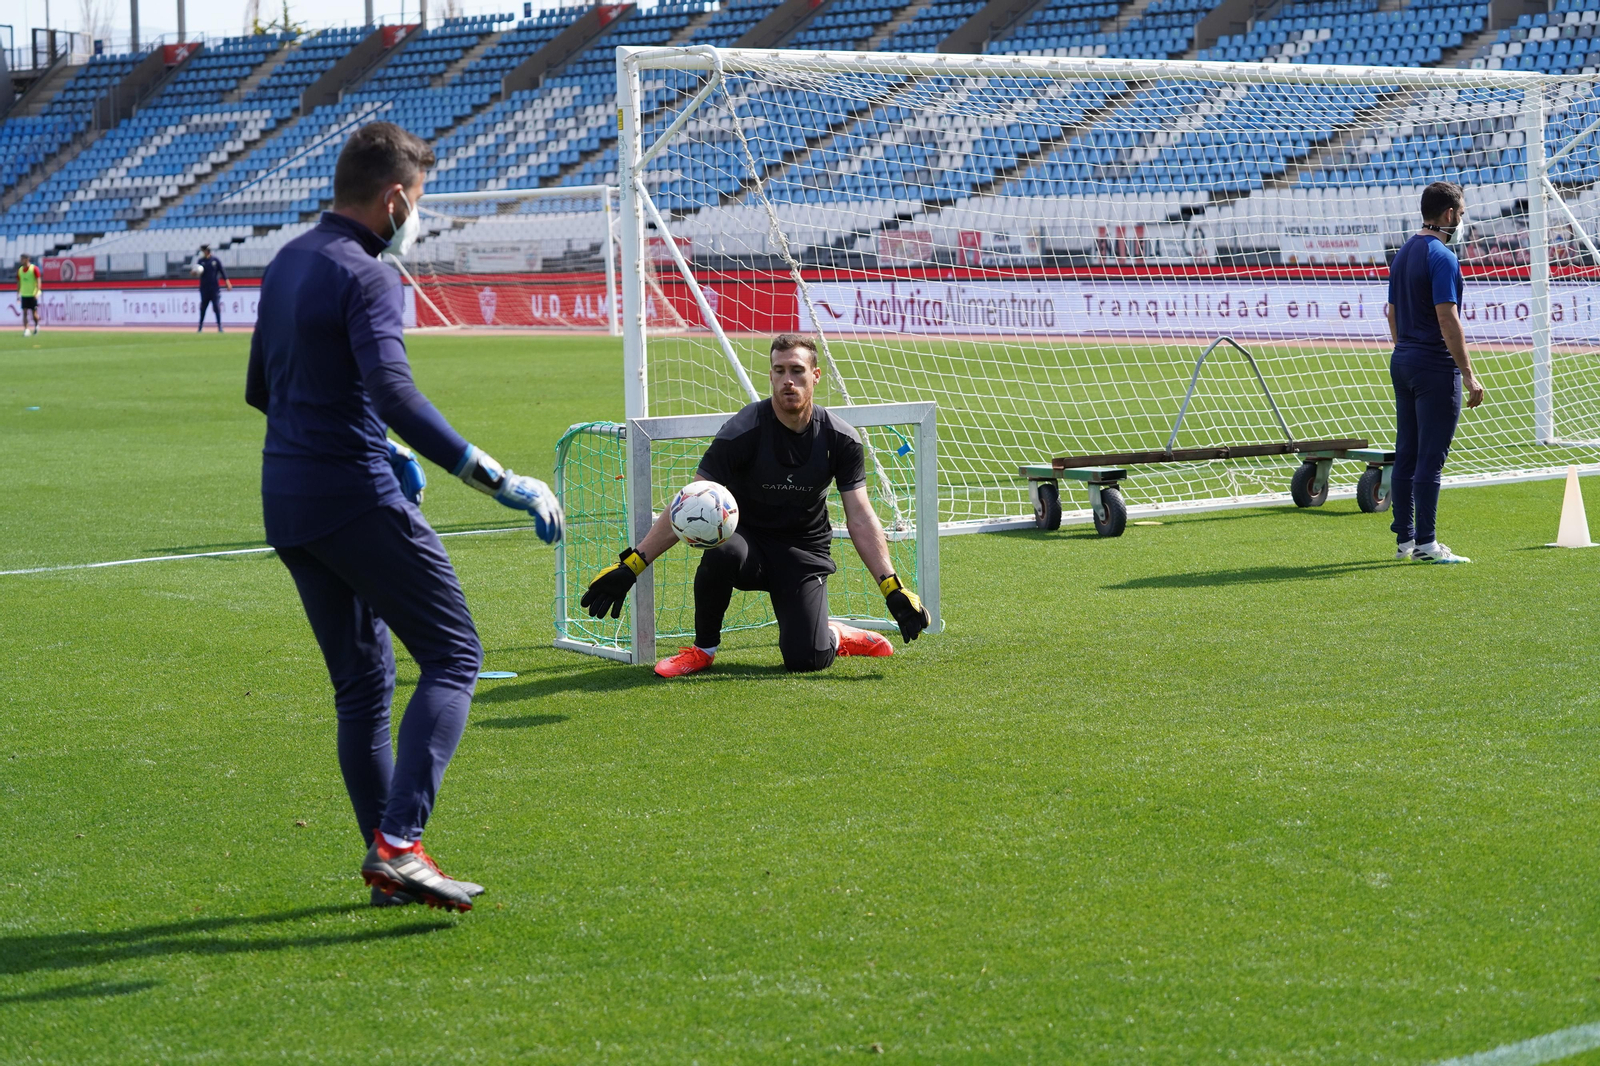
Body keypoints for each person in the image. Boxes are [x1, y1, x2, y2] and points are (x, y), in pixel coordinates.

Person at [246, 122, 564, 912]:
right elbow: (393, 392)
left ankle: (392, 866)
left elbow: (263, 389)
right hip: (353, 496)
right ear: (393, 197)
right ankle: (399, 843)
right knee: (455, 655)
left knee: (363, 687)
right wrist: (494, 477)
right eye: (416, 202)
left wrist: (376, 440)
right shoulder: (368, 274)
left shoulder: (289, 260)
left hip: (287, 502)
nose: (415, 218)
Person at [581, 333, 932, 678]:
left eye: (796, 370)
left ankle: (835, 634)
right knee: (721, 551)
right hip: (747, 545)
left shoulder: (840, 439)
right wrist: (632, 564)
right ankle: (702, 650)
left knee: (806, 660)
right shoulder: (742, 431)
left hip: (803, 552)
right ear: (771, 376)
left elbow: (859, 516)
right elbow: (689, 504)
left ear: (815, 376)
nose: (787, 381)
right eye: (779, 371)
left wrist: (891, 585)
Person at [1383, 180, 1485, 564]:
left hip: (1404, 360)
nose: (1461, 219)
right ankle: (1427, 544)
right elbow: (1448, 318)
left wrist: (1405, 348)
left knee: (1406, 452)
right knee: (1430, 457)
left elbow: (1390, 312)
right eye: (1460, 212)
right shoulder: (1442, 256)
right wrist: (1468, 372)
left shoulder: (1404, 252)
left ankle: (1405, 541)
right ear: (1448, 214)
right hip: (1433, 366)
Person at [196, 244, 232, 332]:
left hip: (214, 288)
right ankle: (200, 326)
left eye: (204, 251)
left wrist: (227, 282)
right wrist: (194, 272)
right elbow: (195, 271)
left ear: (207, 251)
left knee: (216, 307)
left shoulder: (215, 260)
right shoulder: (201, 261)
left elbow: (222, 271)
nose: (203, 253)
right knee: (203, 308)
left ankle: (219, 326)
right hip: (204, 288)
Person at [17, 254, 41, 336]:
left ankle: (37, 325)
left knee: (34, 313)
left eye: (23, 259)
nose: (21, 260)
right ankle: (26, 329)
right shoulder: (20, 270)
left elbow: (38, 281)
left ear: (27, 259)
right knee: (24, 312)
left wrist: (37, 292)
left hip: (32, 294)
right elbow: (19, 283)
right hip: (24, 294)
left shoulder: (34, 269)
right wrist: (18, 294)